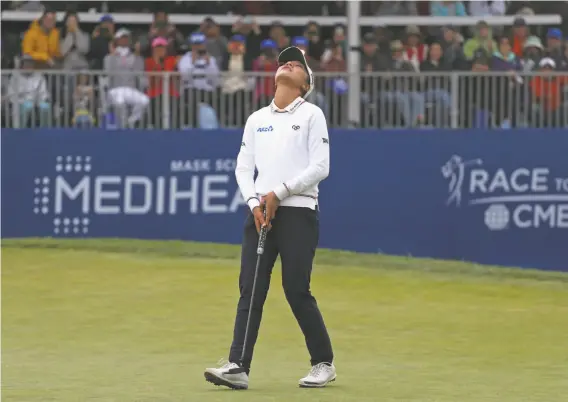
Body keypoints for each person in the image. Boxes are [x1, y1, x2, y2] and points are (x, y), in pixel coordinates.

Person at [204, 46, 336, 390]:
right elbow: (243, 167)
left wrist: (279, 192)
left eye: (297, 64)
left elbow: (320, 167)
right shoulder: (257, 119)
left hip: (299, 212)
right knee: (250, 290)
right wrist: (254, 202)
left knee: (296, 289)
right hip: (261, 213)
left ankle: (323, 362)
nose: (287, 65)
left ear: (305, 82)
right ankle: (238, 366)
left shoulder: (311, 114)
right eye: (285, 62)